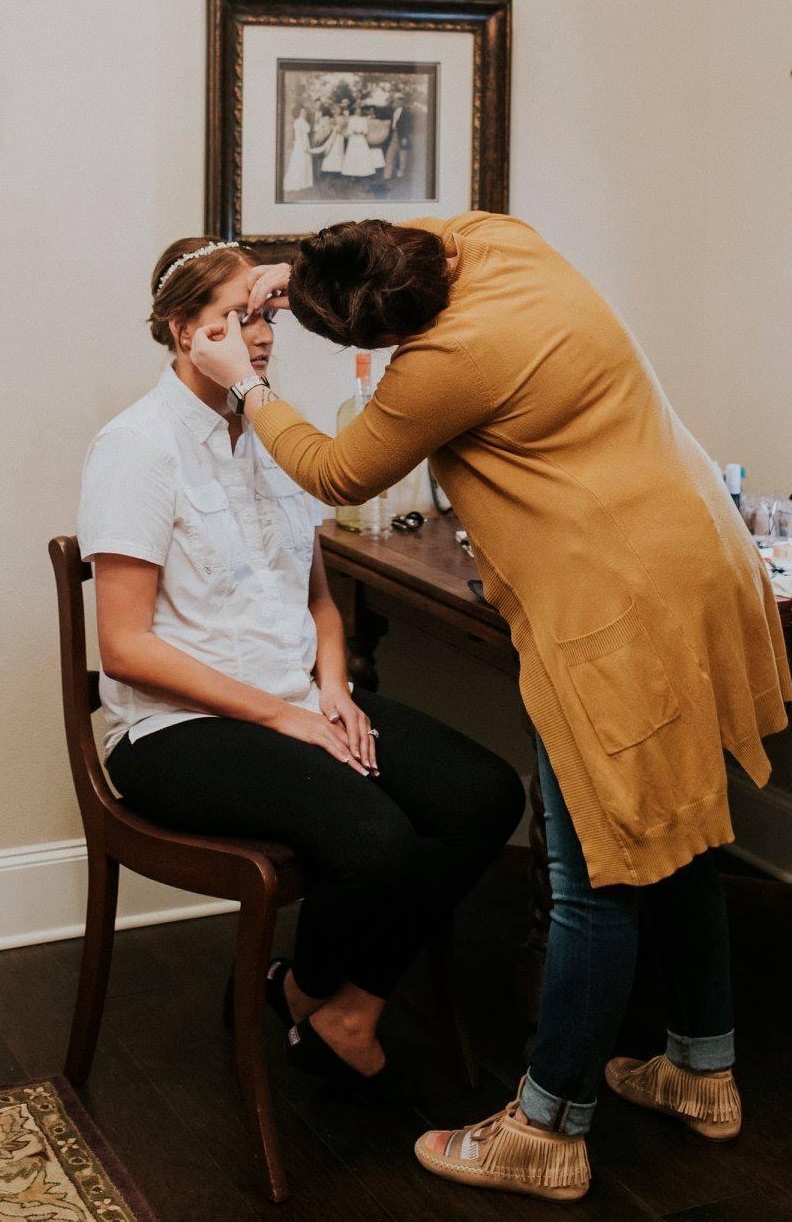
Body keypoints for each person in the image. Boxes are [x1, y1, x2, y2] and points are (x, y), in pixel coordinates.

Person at [189, 213, 792, 1203]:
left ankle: (548, 1129)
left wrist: (249, 384)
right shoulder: (493, 240)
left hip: (615, 603)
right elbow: (400, 241)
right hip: (698, 554)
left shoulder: (444, 362)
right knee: (675, 827)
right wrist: (299, 269)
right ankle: (700, 1066)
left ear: (390, 340)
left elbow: (337, 471)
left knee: (593, 868)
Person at [77, 236, 524, 1097]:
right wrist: (286, 717)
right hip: (177, 730)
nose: (258, 336)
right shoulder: (136, 447)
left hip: (298, 699)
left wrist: (334, 690)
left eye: (265, 317)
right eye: (232, 319)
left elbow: (317, 597)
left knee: (484, 795)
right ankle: (300, 989)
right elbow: (125, 648)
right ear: (182, 331)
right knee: (374, 837)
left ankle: (340, 1003)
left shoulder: (277, 434)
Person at [282, 107, 314, 195]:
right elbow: (298, 135)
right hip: (301, 144)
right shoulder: (298, 122)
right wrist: (303, 146)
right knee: (300, 162)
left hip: (305, 141)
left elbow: (307, 130)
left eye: (305, 111)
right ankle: (298, 182)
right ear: (299, 112)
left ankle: (305, 182)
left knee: (306, 162)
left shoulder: (304, 121)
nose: (305, 112)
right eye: (302, 111)